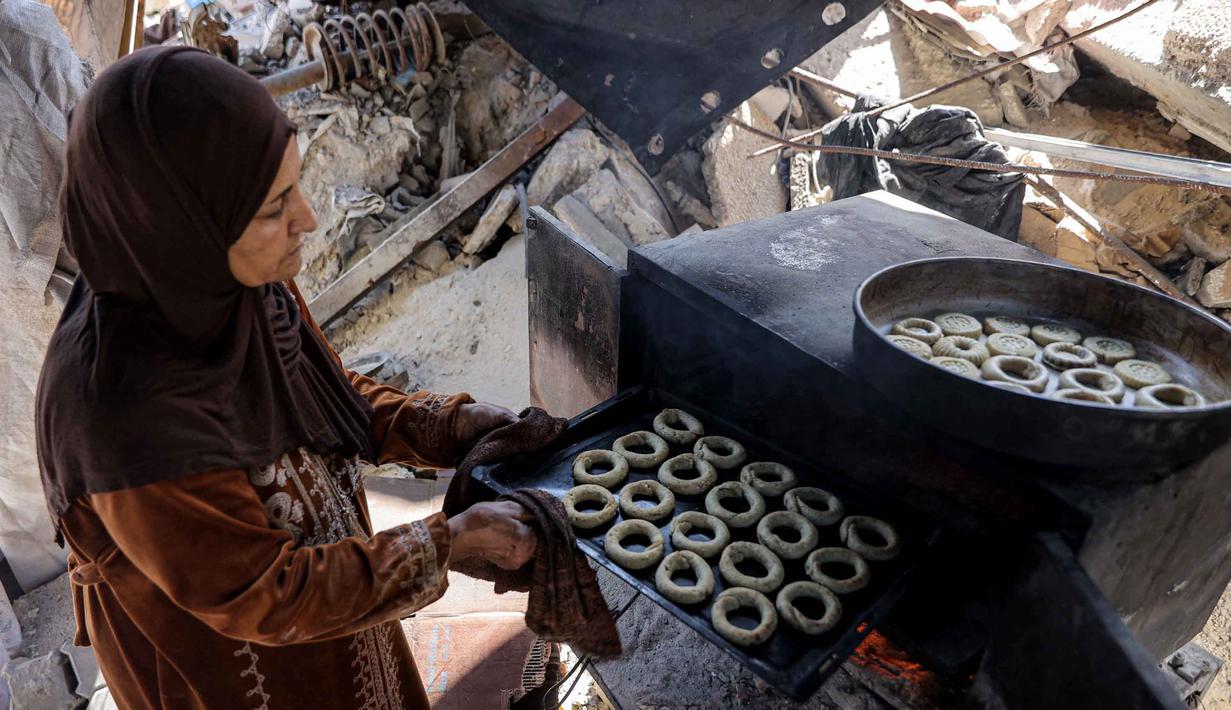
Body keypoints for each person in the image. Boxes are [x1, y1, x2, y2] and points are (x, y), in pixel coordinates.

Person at [34, 46, 537, 709]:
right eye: (274, 207)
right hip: (228, 661)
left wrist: (444, 426)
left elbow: (320, 392)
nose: (308, 219)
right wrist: (445, 545)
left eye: (295, 185)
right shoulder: (125, 420)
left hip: (332, 599)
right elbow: (266, 596)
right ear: (183, 226)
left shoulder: (226, 288)